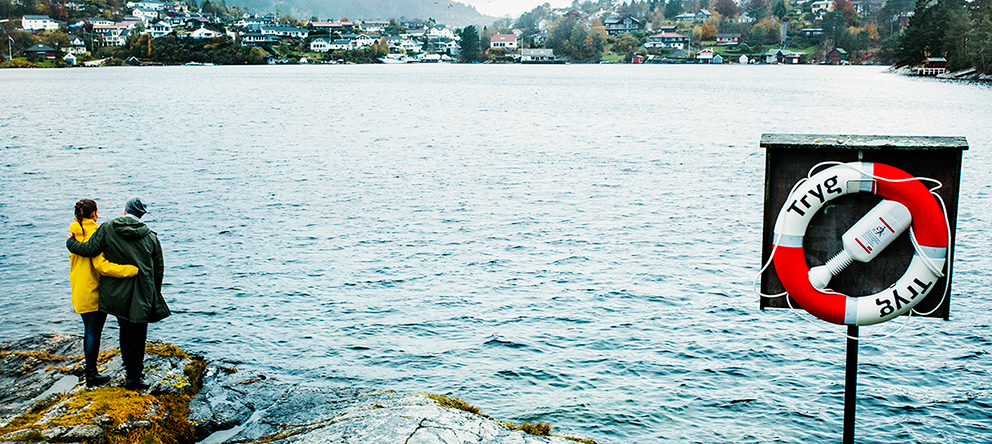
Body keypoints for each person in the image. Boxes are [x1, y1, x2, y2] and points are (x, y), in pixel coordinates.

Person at [66, 196, 170, 391]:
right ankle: (133, 378)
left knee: (124, 328)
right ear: (142, 214)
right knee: (138, 334)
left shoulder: (108, 228)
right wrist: (155, 292)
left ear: (125, 211)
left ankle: (125, 366)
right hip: (142, 291)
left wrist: (71, 244)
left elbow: (88, 249)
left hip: (118, 292)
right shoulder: (151, 237)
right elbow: (159, 269)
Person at [68, 199, 140, 388]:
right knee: (94, 332)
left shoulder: (73, 234)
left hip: (79, 289)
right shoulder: (97, 233)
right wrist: (130, 270)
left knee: (88, 331)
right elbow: (102, 266)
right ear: (94, 214)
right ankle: (91, 374)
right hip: (95, 289)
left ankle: (91, 372)